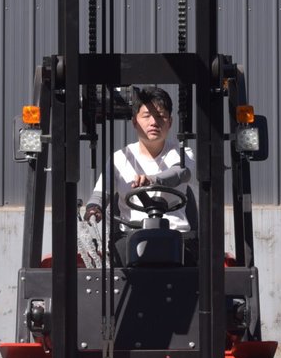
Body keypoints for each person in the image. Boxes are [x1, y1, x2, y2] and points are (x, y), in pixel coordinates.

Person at [79, 85, 195, 267]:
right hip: (131, 235)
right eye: (147, 116)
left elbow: (180, 173)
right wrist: (94, 207)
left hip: (177, 236)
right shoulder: (120, 158)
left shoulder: (182, 153)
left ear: (170, 122)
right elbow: (102, 192)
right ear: (134, 121)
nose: (154, 122)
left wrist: (153, 180)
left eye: (160, 116)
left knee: (195, 262)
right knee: (114, 258)